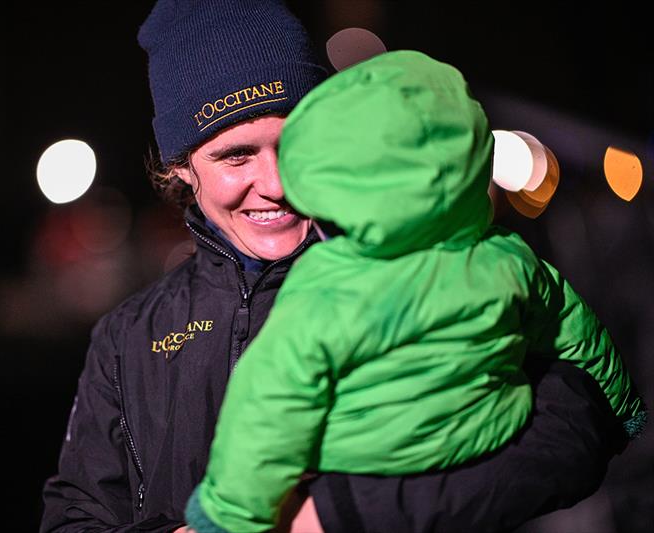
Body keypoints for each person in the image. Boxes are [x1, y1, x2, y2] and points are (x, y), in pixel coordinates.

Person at [40, 2, 636, 532]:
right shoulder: (127, 337)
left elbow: (580, 428)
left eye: (294, 143)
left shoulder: (427, 266)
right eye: (235, 155)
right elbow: (75, 517)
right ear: (179, 169)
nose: (274, 184)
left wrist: (337, 513)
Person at [184, 50, 647, 533]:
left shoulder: (326, 287)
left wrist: (226, 515)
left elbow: (268, 408)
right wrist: (623, 409)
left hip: (365, 464)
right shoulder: (509, 258)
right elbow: (579, 334)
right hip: (490, 434)